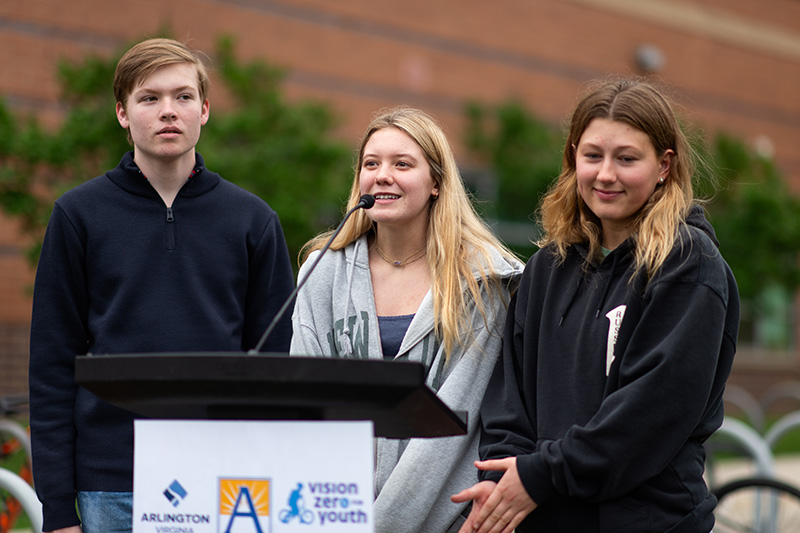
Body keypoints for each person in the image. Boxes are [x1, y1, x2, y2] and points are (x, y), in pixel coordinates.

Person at [28, 38, 295, 533]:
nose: (168, 111)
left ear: (205, 109)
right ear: (123, 114)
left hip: (225, 481)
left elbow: (274, 366)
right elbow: (51, 366)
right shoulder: (78, 215)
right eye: (149, 98)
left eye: (183, 96)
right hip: (109, 483)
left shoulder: (253, 220)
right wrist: (58, 508)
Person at [451, 78, 740, 533]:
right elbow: (509, 400)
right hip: (542, 517)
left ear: (664, 165)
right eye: (592, 156)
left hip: (646, 522)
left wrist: (539, 475)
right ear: (572, 158)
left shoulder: (687, 264)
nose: (606, 174)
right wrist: (504, 477)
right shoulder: (549, 265)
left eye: (627, 158)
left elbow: (648, 416)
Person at [290, 106, 523, 532]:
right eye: (371, 163)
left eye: (403, 164)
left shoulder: (486, 280)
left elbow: (478, 414)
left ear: (436, 183)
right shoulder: (321, 273)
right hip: (338, 513)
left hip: (453, 519)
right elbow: (306, 408)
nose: (382, 175)